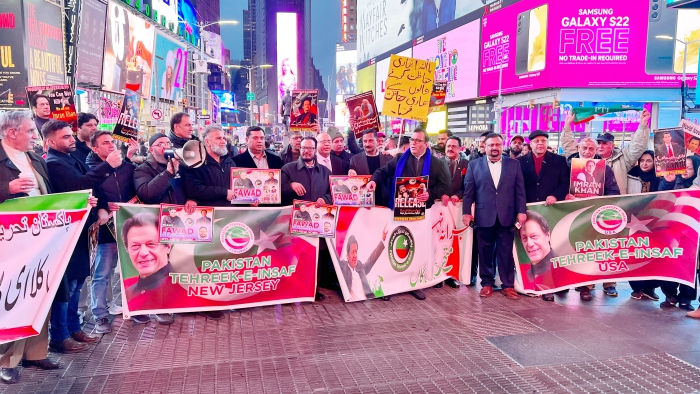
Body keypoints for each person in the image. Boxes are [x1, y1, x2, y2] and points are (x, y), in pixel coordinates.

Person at [43, 120, 120, 354]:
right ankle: (60, 335)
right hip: (67, 231)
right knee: (67, 285)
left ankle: (73, 328)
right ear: (50, 141)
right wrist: (107, 165)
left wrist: (102, 207)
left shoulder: (73, 157)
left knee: (77, 283)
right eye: (65, 137)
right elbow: (79, 184)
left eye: (70, 135)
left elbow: (93, 189)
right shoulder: (54, 162)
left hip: (84, 227)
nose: (71, 140)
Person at [0, 111, 61, 383]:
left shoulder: (35, 158)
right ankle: (7, 360)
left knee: (41, 290)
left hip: (41, 237)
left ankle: (36, 352)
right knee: (13, 296)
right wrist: (6, 188)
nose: (34, 136)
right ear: (11, 132)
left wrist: (78, 205)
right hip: (10, 241)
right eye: (29, 131)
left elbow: (49, 193)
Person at [366, 129, 450, 300]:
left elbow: (445, 186)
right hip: (399, 211)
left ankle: (413, 284)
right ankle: (388, 285)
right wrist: (373, 181)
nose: (413, 143)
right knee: (393, 246)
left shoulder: (437, 164)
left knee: (415, 249)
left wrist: (431, 194)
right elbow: (382, 172)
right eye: (412, 140)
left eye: (418, 141)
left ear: (426, 144)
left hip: (421, 215)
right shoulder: (399, 159)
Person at [84, 130, 144, 330]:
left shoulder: (127, 167)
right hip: (106, 229)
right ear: (95, 148)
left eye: (112, 142)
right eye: (105, 143)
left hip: (128, 225)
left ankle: (135, 308)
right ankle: (99, 314)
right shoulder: (90, 169)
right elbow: (89, 195)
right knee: (102, 273)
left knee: (132, 269)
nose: (111, 145)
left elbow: (140, 189)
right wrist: (103, 206)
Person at [462, 133, 527, 301]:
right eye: (491, 145)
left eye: (497, 144)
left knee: (506, 252)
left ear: (502, 146)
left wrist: (521, 211)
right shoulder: (474, 165)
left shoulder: (514, 165)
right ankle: (487, 284)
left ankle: (508, 286)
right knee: (484, 251)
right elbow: (468, 192)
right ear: (485, 147)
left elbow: (520, 191)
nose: (494, 148)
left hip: (507, 215)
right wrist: (466, 212)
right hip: (484, 215)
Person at [562, 136, 621, 301]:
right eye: (584, 148)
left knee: (590, 251)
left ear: (596, 151)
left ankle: (586, 287)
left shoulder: (605, 169)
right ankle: (565, 282)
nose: (587, 152)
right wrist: (563, 196)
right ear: (578, 148)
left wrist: (597, 200)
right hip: (570, 214)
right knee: (569, 250)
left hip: (594, 214)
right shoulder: (567, 166)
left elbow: (614, 193)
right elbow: (559, 186)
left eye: (591, 149)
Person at [281, 137, 332, 301]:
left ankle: (313, 290)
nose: (306, 151)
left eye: (310, 148)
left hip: (318, 222)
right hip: (296, 223)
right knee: (295, 257)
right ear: (299, 148)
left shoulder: (325, 171)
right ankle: (293, 289)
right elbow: (277, 191)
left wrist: (325, 199)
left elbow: (334, 193)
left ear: (315, 149)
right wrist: (290, 186)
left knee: (315, 258)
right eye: (303, 148)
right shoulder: (288, 169)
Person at [561, 109, 650, 195]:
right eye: (598, 143)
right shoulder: (585, 157)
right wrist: (567, 125)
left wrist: (643, 124)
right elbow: (568, 145)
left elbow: (637, 145)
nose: (600, 146)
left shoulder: (622, 159)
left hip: (613, 202)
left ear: (612, 146)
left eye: (604, 143)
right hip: (583, 200)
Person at [121, 212, 191, 311]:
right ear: (127, 249)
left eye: (151, 244)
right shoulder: (130, 293)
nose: (143, 253)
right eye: (135, 246)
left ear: (167, 247)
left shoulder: (185, 287)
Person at [658, 155, 700, 313]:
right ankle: (670, 295)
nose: (685, 171)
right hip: (673, 228)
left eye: (690, 168)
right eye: (684, 167)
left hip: (692, 230)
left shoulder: (696, 184)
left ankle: (686, 298)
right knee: (670, 260)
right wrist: (667, 182)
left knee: (690, 264)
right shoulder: (671, 180)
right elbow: (660, 197)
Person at [626, 150, 662, 301]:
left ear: (655, 162)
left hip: (655, 220)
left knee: (653, 254)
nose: (645, 164)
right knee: (634, 253)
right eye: (642, 161)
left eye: (649, 160)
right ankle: (636, 288)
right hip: (634, 220)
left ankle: (649, 288)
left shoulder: (660, 177)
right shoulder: (631, 175)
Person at [182, 125, 237, 209]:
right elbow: (194, 190)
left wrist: (248, 200)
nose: (223, 142)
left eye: (224, 138)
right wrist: (224, 193)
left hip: (231, 213)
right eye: (218, 138)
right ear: (207, 142)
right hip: (209, 214)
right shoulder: (196, 163)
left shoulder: (230, 162)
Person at [437, 136, 468, 289]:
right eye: (448, 146)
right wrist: (441, 193)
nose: (450, 149)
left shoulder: (466, 164)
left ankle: (451, 276)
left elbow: (468, 185)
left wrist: (458, 195)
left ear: (460, 148)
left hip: (456, 209)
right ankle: (436, 277)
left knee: (452, 244)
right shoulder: (437, 163)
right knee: (437, 243)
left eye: (454, 146)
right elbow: (433, 182)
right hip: (439, 210)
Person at [518, 130, 570, 207]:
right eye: (536, 141)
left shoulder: (559, 160)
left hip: (552, 207)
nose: (540, 143)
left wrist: (555, 195)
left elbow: (565, 182)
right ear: (531, 144)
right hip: (527, 207)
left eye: (543, 141)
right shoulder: (519, 162)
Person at [338, 228, 388, 301]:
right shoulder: (344, 267)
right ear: (347, 255)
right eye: (352, 252)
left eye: (356, 252)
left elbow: (371, 260)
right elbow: (335, 256)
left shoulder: (360, 266)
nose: (355, 255)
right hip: (354, 305)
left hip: (368, 301)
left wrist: (382, 240)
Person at [519, 210, 556, 292]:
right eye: (525, 238)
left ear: (547, 235)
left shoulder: (560, 266)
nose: (529, 244)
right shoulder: (527, 273)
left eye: (534, 236)